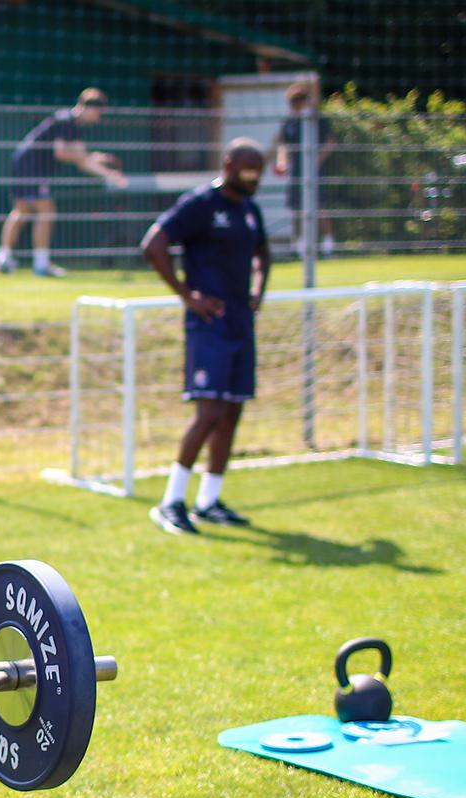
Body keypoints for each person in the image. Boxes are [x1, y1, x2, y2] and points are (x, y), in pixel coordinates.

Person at [141, 138, 272, 535]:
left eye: (258, 172)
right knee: (210, 412)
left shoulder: (249, 210)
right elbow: (154, 244)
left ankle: (209, 501)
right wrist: (186, 295)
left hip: (239, 323)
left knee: (232, 411)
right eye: (247, 170)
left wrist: (257, 290)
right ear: (228, 164)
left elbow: (263, 253)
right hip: (209, 324)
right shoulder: (200, 204)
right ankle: (171, 501)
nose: (253, 179)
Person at [0, 88, 127, 277]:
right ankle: (40, 264)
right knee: (46, 211)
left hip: (23, 162)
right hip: (31, 166)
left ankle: (3, 258)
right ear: (86, 107)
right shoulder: (65, 120)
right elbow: (63, 153)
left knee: (21, 211)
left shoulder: (72, 126)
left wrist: (107, 172)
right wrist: (106, 170)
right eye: (98, 112)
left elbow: (82, 159)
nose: (98, 117)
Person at [271, 80, 338, 256]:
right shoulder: (289, 123)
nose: (293, 105)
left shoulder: (318, 119)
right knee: (297, 209)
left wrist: (315, 160)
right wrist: (282, 162)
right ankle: (299, 247)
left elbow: (330, 142)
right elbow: (283, 146)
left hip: (316, 172)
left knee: (320, 207)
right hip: (297, 172)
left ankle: (328, 246)